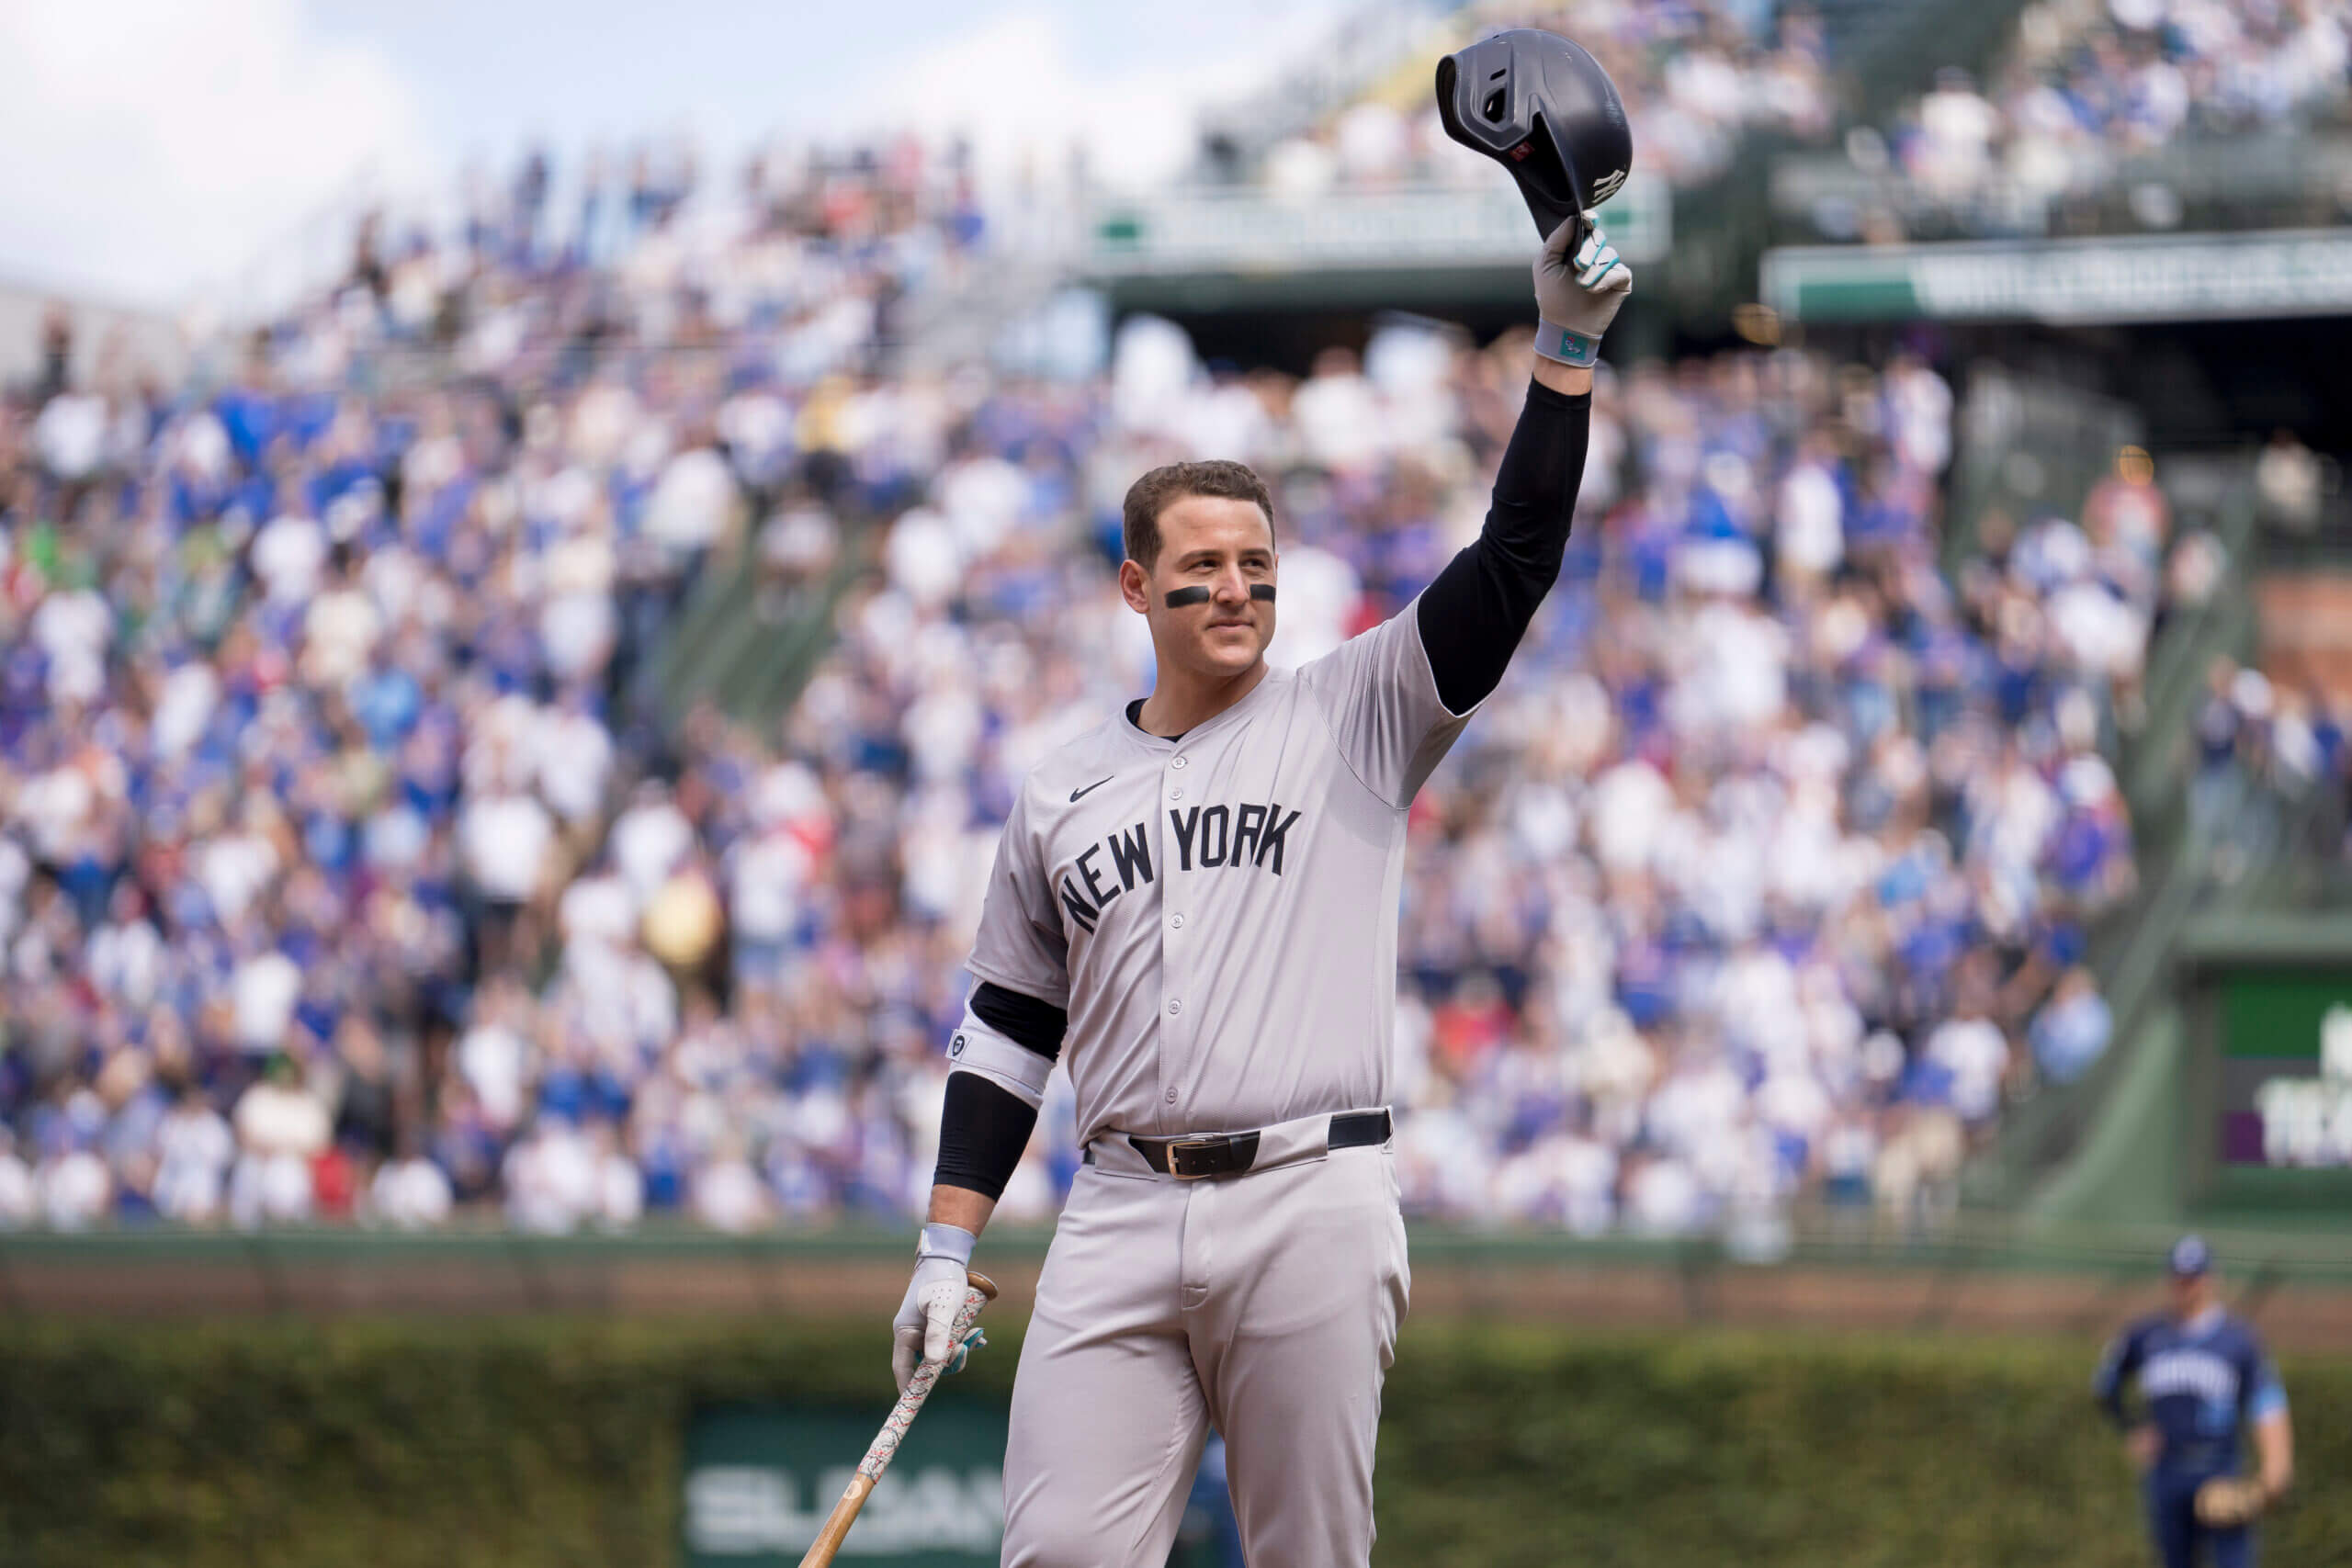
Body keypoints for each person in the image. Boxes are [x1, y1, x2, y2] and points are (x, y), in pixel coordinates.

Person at [886, 214, 1629, 1566]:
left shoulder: (1357, 708)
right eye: (1204, 565)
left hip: (1309, 1192)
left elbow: (1513, 561)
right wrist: (947, 1245)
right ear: (1135, 583)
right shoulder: (1061, 786)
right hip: (1115, 1208)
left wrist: (1565, 354)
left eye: (1257, 565)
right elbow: (1006, 1026)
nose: (1236, 586)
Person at [2094, 1235, 2295, 1568]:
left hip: (2220, 1468)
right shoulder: (2145, 1335)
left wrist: (2277, 1464)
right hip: (2167, 1470)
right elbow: (2105, 1384)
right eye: (2179, 1278)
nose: (2186, 1286)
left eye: (2194, 1277)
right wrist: (2131, 1427)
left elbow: (2267, 1402)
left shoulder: (2238, 1340)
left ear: (2212, 1278)